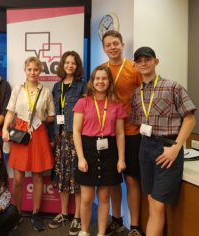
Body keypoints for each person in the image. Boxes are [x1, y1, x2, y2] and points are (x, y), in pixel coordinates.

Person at [131, 47, 196, 236]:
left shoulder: (173, 87)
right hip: (145, 148)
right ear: (135, 65)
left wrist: (176, 147)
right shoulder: (136, 94)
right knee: (152, 202)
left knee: (158, 205)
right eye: (139, 60)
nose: (143, 63)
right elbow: (137, 124)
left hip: (168, 148)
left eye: (147, 59)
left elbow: (190, 119)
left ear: (156, 61)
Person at [2, 56, 55, 231]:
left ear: (40, 71)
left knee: (38, 176)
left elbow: (52, 116)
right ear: (25, 70)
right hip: (20, 133)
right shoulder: (18, 89)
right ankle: (15, 212)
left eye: (36, 69)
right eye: (29, 69)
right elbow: (10, 111)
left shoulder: (45, 91)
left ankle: (36, 212)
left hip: (38, 133)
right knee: (18, 178)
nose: (32, 72)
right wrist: (4, 128)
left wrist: (41, 119)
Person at [73, 66, 126, 236]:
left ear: (109, 82)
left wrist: (121, 159)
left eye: (104, 78)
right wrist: (80, 158)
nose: (100, 82)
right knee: (87, 198)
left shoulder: (116, 104)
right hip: (87, 150)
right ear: (92, 81)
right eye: (97, 78)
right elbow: (76, 131)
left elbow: (120, 134)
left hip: (109, 152)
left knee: (104, 198)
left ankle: (101, 233)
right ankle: (84, 231)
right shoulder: (83, 102)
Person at [101, 30, 143, 236]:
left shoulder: (134, 69)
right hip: (108, 133)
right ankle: (116, 219)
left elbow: (145, 98)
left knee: (132, 180)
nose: (112, 47)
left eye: (116, 43)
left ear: (122, 44)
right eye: (108, 45)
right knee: (112, 180)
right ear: (104, 48)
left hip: (131, 132)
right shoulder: (101, 70)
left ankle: (134, 226)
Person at [49, 51, 86, 235]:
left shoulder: (81, 87)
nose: (70, 66)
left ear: (77, 66)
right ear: (62, 65)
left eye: (73, 63)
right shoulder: (56, 87)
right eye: (67, 63)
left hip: (75, 137)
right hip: (60, 137)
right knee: (62, 178)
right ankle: (64, 213)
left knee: (77, 178)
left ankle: (78, 217)